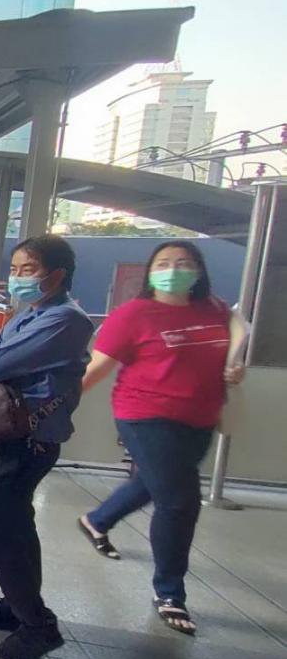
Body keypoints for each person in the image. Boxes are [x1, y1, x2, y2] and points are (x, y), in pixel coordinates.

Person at [76, 241, 244, 635]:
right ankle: (170, 593)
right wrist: (50, 405)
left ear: (199, 271)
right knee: (180, 502)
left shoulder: (216, 310)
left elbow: (226, 356)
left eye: (184, 263)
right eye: (165, 263)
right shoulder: (133, 315)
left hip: (201, 417)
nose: (174, 269)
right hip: (145, 416)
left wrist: (234, 371)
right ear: (151, 272)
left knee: (153, 485)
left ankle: (97, 520)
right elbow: (99, 367)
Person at [0, 236, 94, 659]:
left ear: (56, 275)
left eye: (29, 269)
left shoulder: (66, 321)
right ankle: (16, 606)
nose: (19, 278)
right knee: (16, 526)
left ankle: (38, 626)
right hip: (6, 436)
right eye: (16, 269)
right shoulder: (33, 314)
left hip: (27, 441)